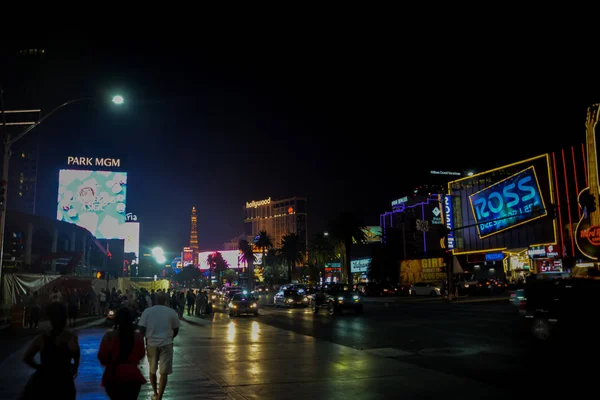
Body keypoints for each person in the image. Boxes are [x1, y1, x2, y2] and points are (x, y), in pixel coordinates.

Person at [20, 302, 80, 399]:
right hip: (64, 382)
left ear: (51, 319)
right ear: (64, 318)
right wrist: (74, 367)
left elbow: (27, 357)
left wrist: (39, 367)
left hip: (45, 381)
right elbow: (76, 359)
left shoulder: (41, 339)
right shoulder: (71, 338)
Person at [138, 292, 180, 400]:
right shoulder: (171, 312)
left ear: (155, 300)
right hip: (166, 343)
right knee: (164, 372)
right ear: (166, 300)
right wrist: (170, 338)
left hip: (151, 344)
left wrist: (144, 339)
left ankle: (155, 393)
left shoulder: (148, 311)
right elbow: (176, 329)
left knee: (152, 370)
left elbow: (141, 328)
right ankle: (160, 396)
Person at [98, 307, 146, 399]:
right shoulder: (137, 337)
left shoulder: (109, 337)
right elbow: (141, 354)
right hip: (133, 376)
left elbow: (102, 357)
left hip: (113, 375)